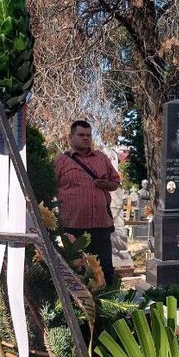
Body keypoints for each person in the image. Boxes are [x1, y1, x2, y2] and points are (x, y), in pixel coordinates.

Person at [54, 120, 121, 286]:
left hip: (100, 225)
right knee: (77, 272)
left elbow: (115, 182)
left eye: (88, 135)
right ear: (71, 137)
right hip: (73, 227)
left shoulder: (102, 159)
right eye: (81, 135)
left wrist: (107, 185)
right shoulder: (61, 161)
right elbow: (49, 187)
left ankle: (111, 305)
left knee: (105, 270)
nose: (85, 138)